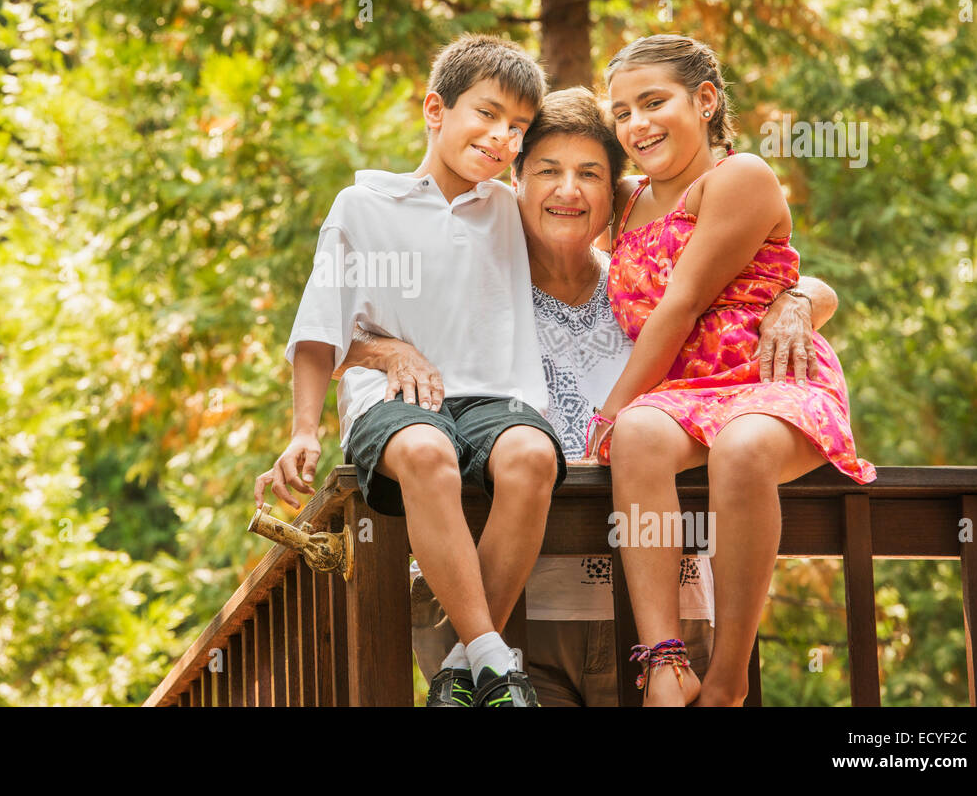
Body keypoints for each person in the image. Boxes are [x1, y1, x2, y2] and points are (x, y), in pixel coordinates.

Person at [342, 86, 838, 705]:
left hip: (663, 618)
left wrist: (800, 299)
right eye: (546, 172)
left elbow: (763, 272)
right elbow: (339, 331)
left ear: (619, 196)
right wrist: (389, 350)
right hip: (515, 619)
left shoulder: (647, 293)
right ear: (512, 184)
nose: (567, 192)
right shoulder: (472, 282)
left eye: (590, 175)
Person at [256, 34, 568, 707]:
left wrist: (796, 291)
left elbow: (611, 225)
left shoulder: (513, 212)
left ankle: (462, 667)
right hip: (394, 402)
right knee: (427, 452)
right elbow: (320, 326)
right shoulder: (366, 205)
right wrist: (305, 429)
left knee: (533, 458)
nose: (501, 136)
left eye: (517, 127)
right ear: (436, 109)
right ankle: (498, 663)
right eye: (486, 113)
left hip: (495, 397)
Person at [586, 34, 876, 706]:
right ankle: (664, 659)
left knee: (741, 449)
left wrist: (607, 409)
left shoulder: (740, 176)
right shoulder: (624, 202)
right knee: (637, 436)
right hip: (684, 395)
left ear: (706, 99)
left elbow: (683, 303)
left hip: (769, 385)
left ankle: (726, 679)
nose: (636, 124)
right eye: (622, 111)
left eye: (654, 102)